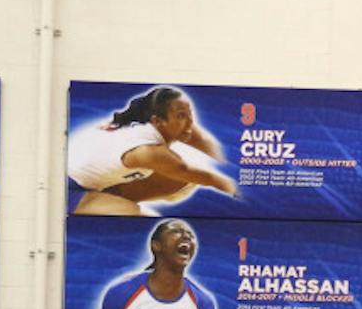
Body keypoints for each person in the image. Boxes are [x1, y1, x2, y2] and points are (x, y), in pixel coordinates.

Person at [67, 85, 237, 216]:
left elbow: (204, 142)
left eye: (189, 114)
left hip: (87, 173)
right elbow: (212, 179)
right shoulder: (148, 150)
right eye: (181, 115)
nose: (189, 122)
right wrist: (243, 194)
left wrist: (232, 165)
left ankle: (109, 197)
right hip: (68, 190)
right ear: (158, 121)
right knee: (136, 214)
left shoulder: (148, 116)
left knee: (184, 181)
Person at [90, 219, 217, 309]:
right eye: (176, 231)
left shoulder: (203, 303)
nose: (186, 236)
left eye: (190, 234)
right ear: (156, 246)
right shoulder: (121, 292)